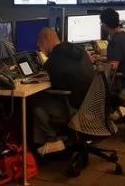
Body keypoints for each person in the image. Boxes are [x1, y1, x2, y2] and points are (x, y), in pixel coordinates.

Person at [31, 27, 94, 155]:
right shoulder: (79, 50)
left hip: (75, 108)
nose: (40, 49)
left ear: (46, 41)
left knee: (36, 103)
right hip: (92, 105)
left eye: (40, 45)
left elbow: (57, 90)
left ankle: (52, 140)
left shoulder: (53, 61)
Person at [101, 8, 125, 80]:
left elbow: (113, 68)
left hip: (122, 80)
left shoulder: (115, 41)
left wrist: (99, 66)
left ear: (104, 25)